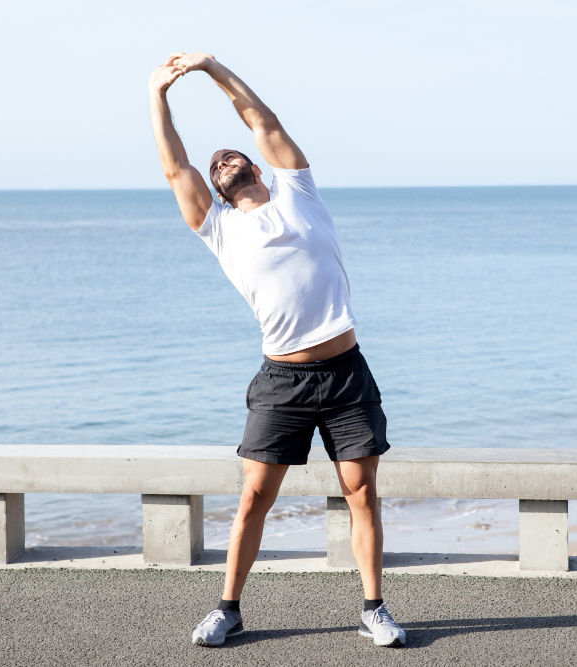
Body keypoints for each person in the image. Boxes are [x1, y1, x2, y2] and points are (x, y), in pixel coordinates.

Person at [148, 52, 405, 649]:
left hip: (346, 374)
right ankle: (228, 608)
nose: (222, 158)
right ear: (217, 187)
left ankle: (373, 607)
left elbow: (261, 121)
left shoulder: (299, 191)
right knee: (254, 498)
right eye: (216, 164)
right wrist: (159, 95)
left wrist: (212, 69)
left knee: (361, 491)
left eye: (231, 153)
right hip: (282, 381)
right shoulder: (217, 227)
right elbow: (175, 166)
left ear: (257, 168)